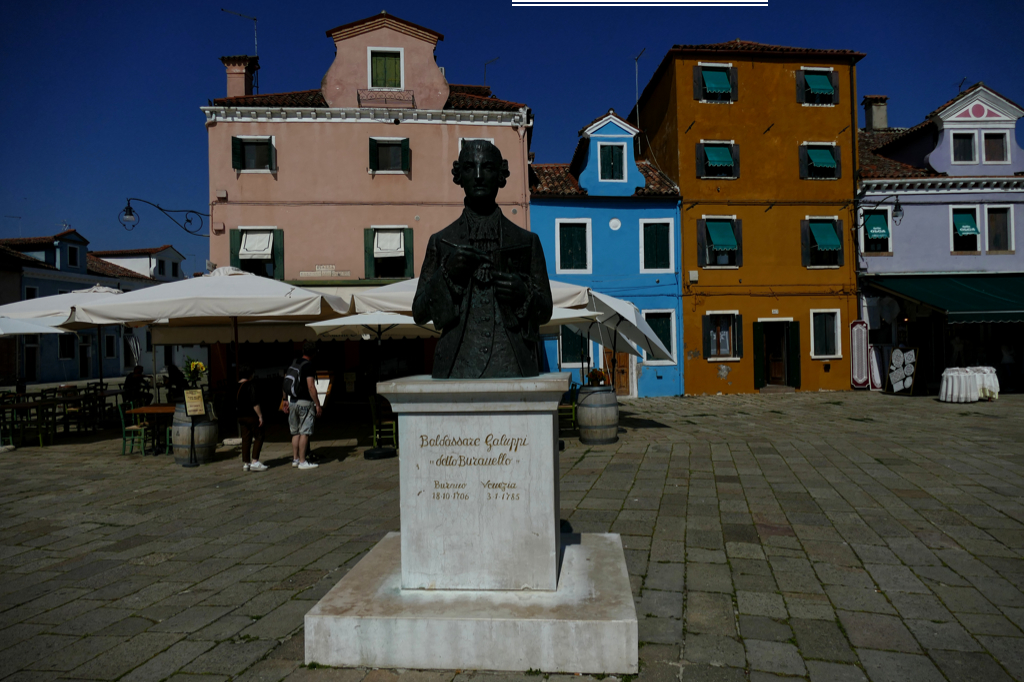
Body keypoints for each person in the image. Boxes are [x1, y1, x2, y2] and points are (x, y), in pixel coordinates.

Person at [412, 139, 552, 378]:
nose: (478, 176)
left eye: (487, 167)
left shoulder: (527, 242)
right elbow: (419, 312)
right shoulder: (441, 242)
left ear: (500, 175)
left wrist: (523, 294)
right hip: (457, 364)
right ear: (459, 176)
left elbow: (545, 311)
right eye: (469, 167)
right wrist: (448, 275)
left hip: (513, 363)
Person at [281, 341, 321, 469]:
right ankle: (303, 461)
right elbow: (311, 386)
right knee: (305, 432)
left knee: (295, 432)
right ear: (314, 353)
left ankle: (295, 459)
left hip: (292, 401)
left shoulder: (294, 362)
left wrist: (284, 399)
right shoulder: (308, 366)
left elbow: (285, 380)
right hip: (305, 402)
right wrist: (317, 404)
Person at [236, 365, 266, 471]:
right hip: (251, 415)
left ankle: (246, 463)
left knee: (246, 439)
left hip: (240, 416)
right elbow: (255, 402)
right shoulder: (251, 385)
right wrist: (260, 416)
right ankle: (255, 461)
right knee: (259, 435)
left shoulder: (236, 386)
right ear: (250, 374)